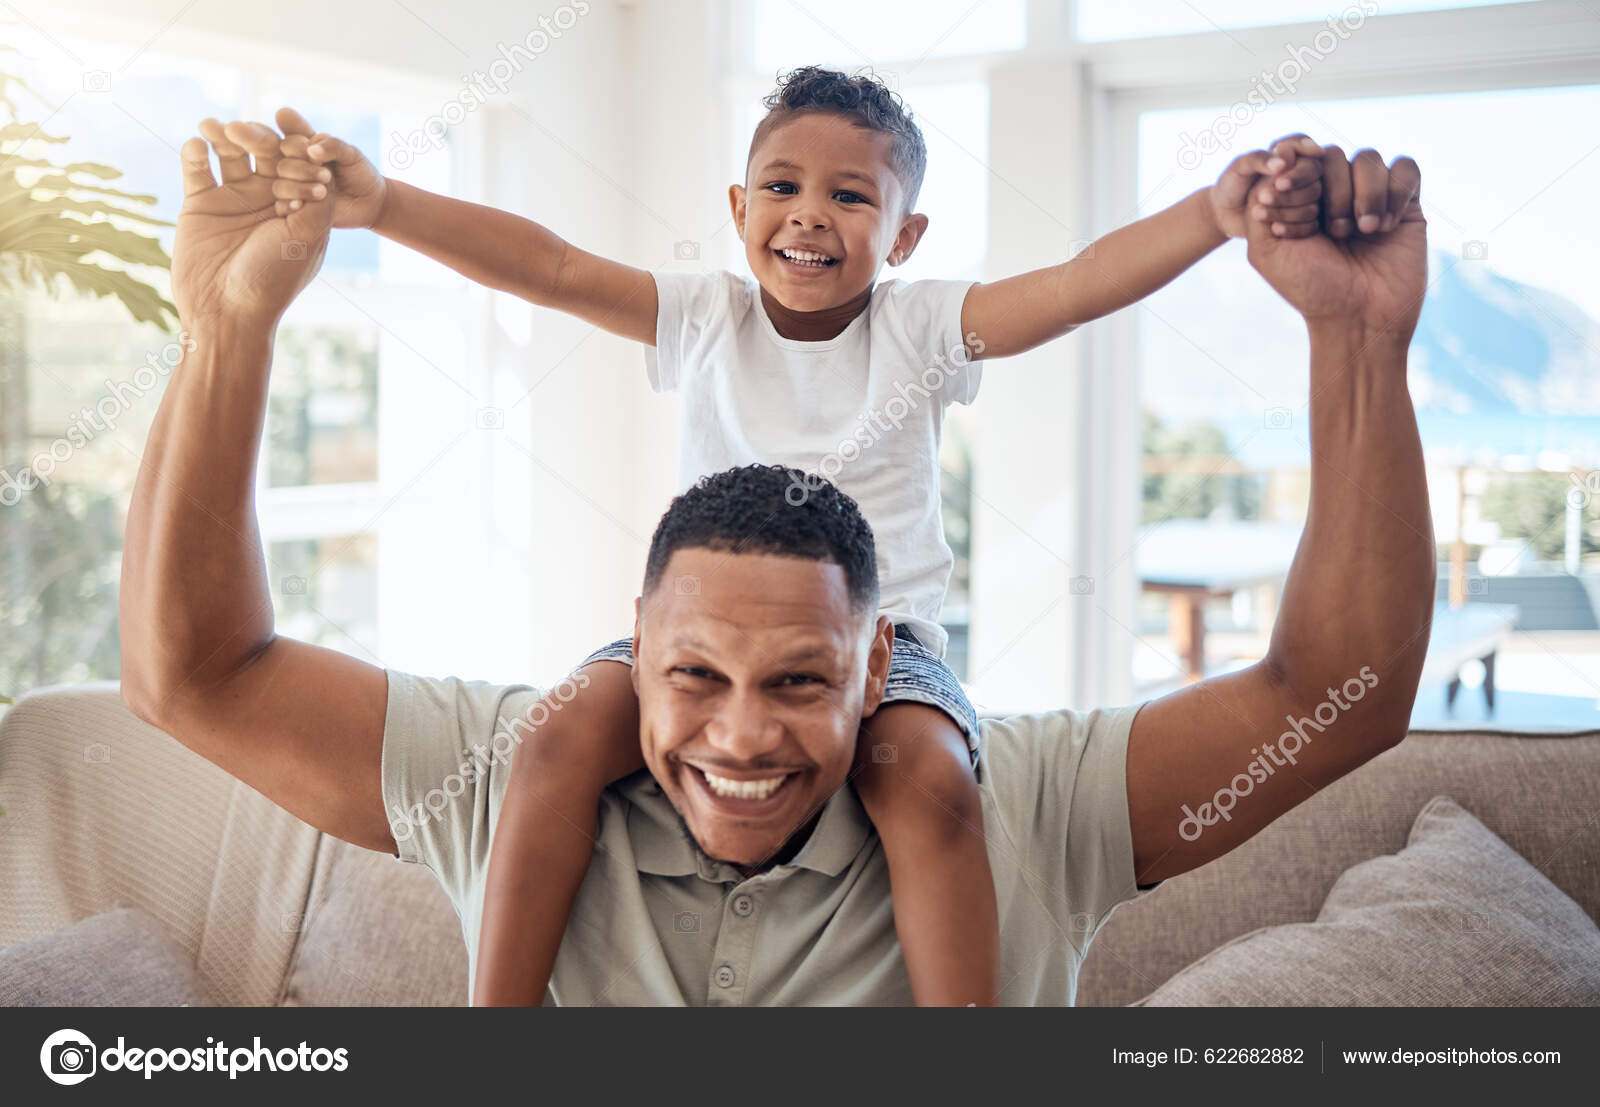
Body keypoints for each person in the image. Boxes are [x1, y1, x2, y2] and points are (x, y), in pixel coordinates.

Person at [119, 107, 1431, 1005]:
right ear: (636, 644)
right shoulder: (521, 771)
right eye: (693, 675)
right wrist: (226, 331)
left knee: (927, 779)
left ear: (867, 671)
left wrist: (1355, 344)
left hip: (921, 689)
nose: (741, 738)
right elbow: (197, 677)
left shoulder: (1001, 802)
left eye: (800, 682)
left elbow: (1340, 693)